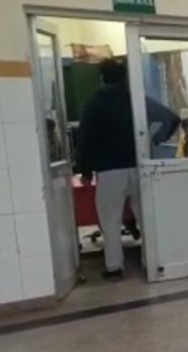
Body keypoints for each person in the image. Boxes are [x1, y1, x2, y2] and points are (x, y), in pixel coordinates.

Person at [76, 59, 180, 280]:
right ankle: (150, 262)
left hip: (109, 171)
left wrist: (85, 170)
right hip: (139, 167)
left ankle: (114, 268)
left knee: (110, 220)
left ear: (102, 78)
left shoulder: (94, 104)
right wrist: (155, 141)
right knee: (146, 217)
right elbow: (172, 118)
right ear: (124, 78)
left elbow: (86, 140)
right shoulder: (136, 101)